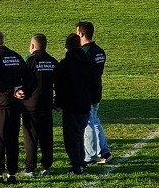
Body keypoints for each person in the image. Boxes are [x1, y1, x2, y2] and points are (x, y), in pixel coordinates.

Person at [0, 29, 31, 185]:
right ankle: (12, 174)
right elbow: (29, 76)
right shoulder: (16, 56)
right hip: (15, 105)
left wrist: (10, 91)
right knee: (12, 140)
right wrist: (22, 91)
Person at [54, 34, 95, 175]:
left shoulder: (65, 64)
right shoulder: (88, 61)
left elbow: (59, 86)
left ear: (67, 46)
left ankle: (76, 165)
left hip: (71, 106)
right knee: (80, 134)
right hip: (85, 104)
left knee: (71, 138)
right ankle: (81, 162)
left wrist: (57, 102)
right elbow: (93, 83)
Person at [22, 34, 57, 177]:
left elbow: (23, 82)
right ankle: (46, 166)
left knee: (31, 137)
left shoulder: (29, 61)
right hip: (47, 105)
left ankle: (30, 168)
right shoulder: (53, 62)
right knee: (46, 136)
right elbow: (60, 84)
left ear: (32, 46)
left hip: (30, 105)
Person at [77, 21, 112, 164]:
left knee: (88, 123)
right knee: (95, 120)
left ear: (81, 33)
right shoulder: (100, 51)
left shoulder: (85, 53)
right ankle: (104, 151)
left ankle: (90, 155)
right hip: (97, 89)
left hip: (87, 92)